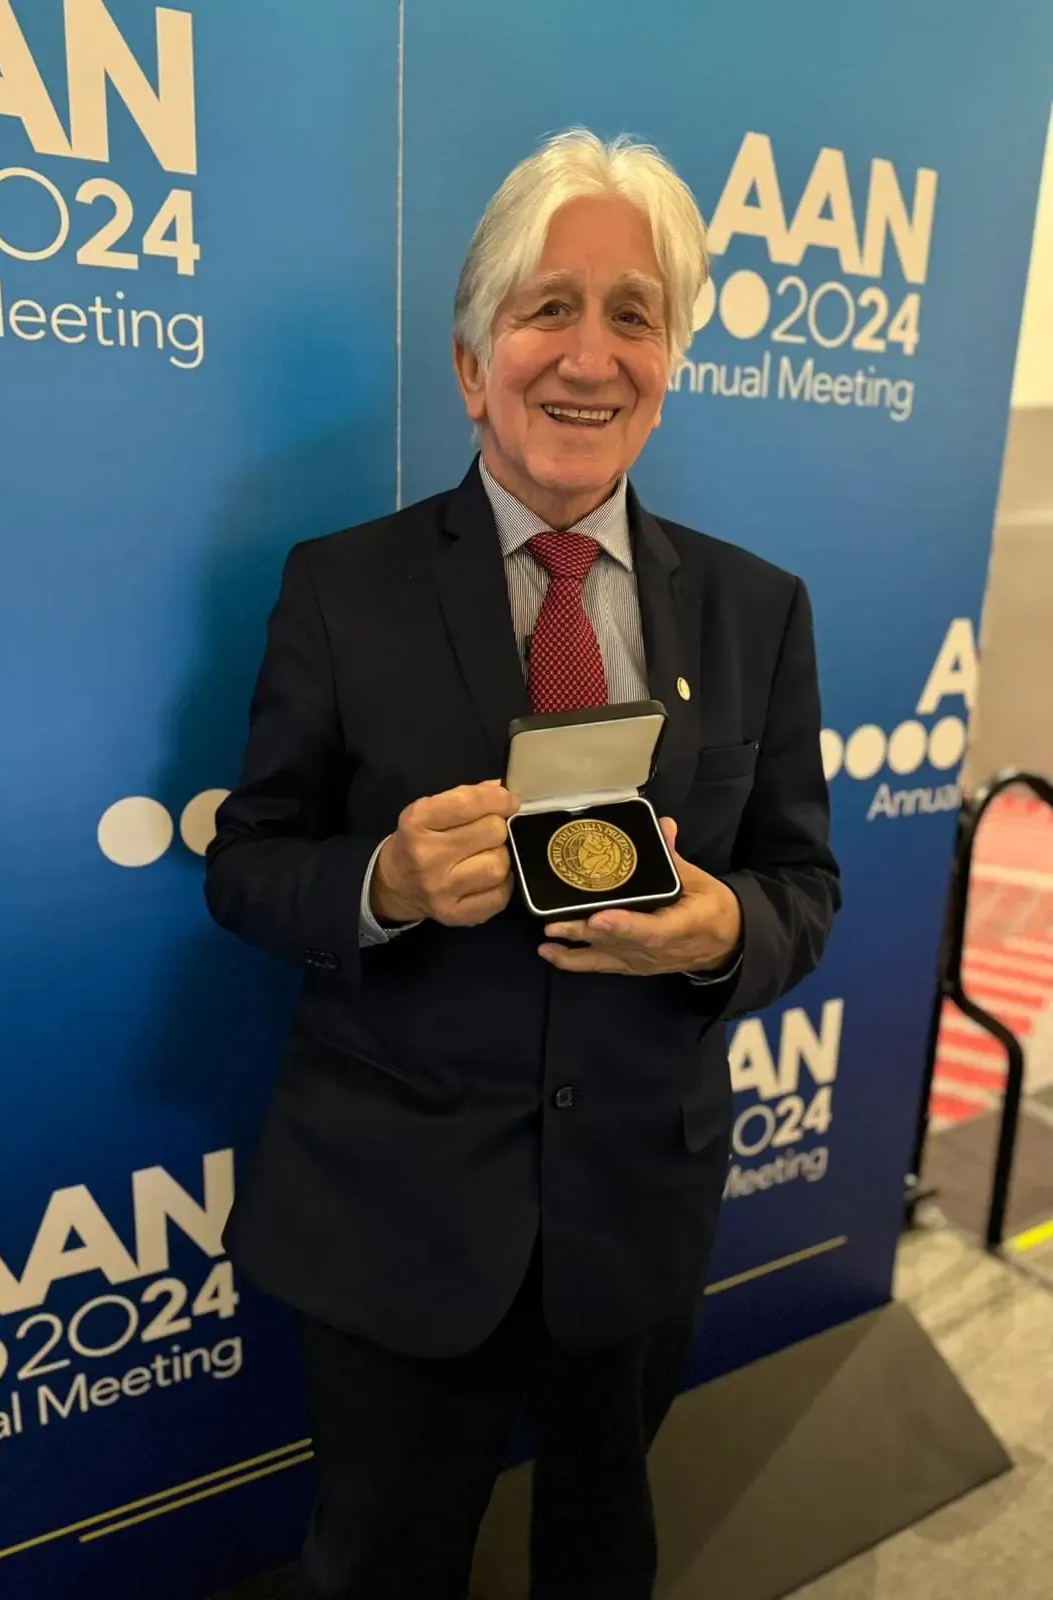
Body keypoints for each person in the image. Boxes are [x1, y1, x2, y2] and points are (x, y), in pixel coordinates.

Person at [205, 128, 840, 1600]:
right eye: (549, 306)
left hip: (634, 1214)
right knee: (377, 1568)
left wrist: (716, 934)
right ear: (470, 360)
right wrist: (385, 885)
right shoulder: (339, 588)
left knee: (605, 1556)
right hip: (394, 1222)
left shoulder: (760, 610)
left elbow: (803, 888)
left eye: (635, 314)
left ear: (671, 359)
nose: (590, 354)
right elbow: (248, 868)